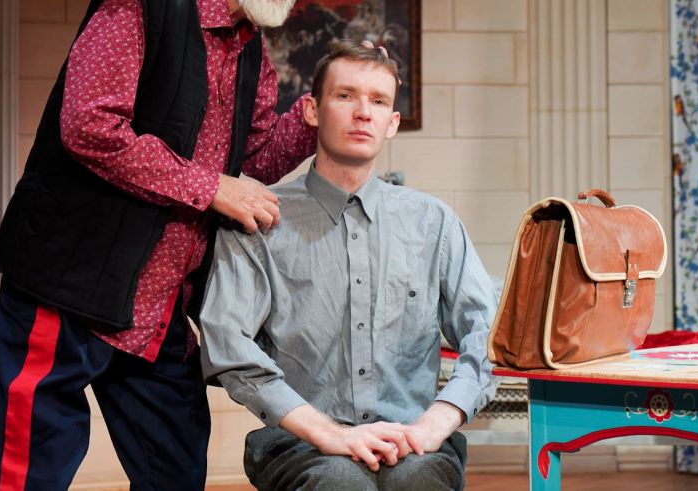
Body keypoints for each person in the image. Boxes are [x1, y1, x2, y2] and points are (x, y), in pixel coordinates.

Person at [0, 0, 343, 491]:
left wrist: (312, 120)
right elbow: (89, 126)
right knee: (29, 476)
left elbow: (249, 163)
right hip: (67, 286)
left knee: (176, 471)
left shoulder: (252, 45)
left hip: (158, 310)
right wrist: (211, 188)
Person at [198, 41, 500, 490]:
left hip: (412, 440)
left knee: (417, 482)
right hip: (301, 443)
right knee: (340, 483)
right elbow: (227, 342)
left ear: (392, 122)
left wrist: (437, 420)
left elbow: (489, 335)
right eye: (345, 96)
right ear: (312, 111)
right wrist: (329, 433)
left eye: (378, 101)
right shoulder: (259, 218)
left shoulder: (433, 223)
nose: (363, 113)